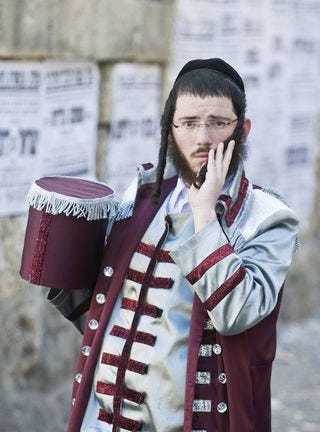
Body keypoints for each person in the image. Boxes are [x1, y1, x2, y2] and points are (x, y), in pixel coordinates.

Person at [48, 58, 299, 432]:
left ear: (242, 130)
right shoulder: (143, 196)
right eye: (189, 123)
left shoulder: (267, 218)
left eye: (218, 123)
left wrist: (204, 218)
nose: (202, 138)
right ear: (170, 130)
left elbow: (237, 315)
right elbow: (108, 312)